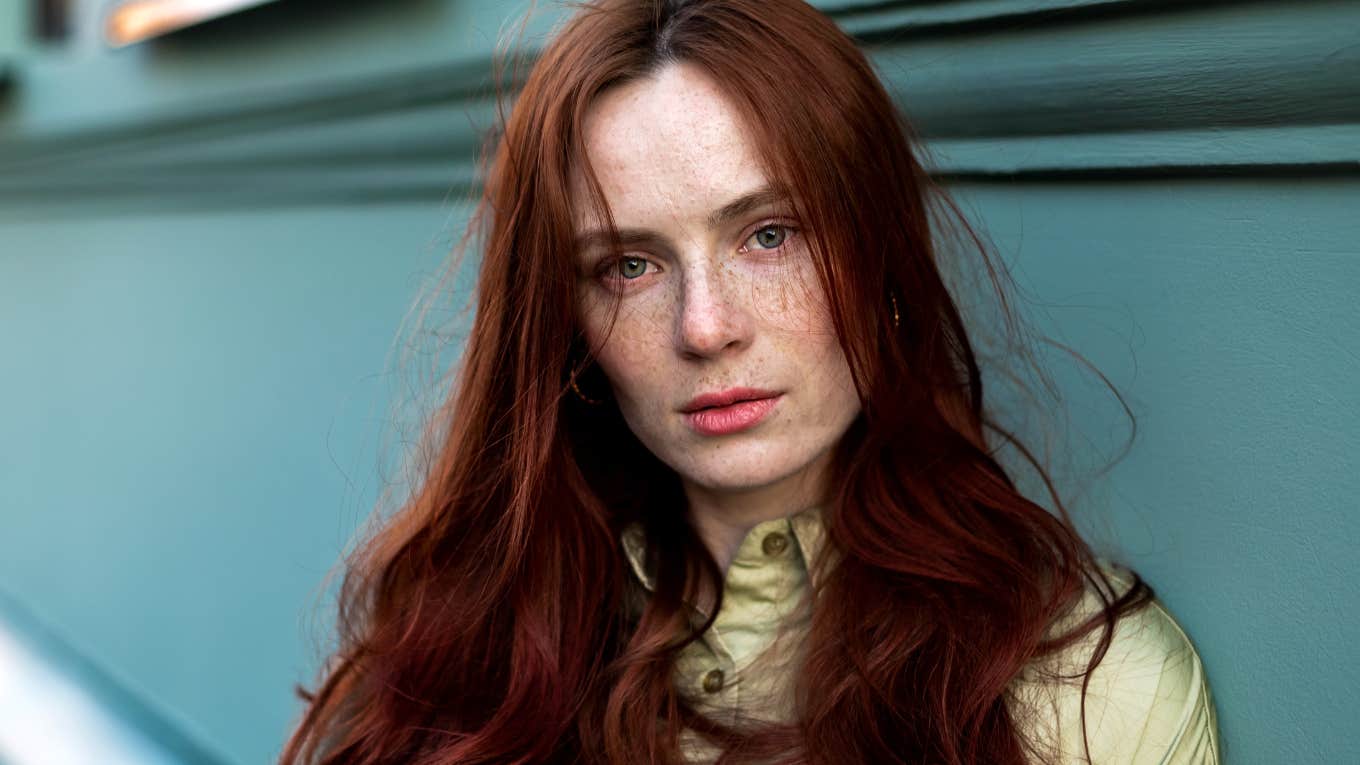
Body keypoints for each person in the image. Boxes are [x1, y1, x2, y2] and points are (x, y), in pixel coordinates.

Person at [280, 1, 1220, 763]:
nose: (706, 326)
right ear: (566, 329)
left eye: (769, 235)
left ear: (878, 257)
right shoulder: (464, 650)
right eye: (628, 267)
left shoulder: (1086, 687)